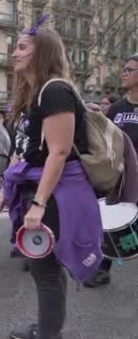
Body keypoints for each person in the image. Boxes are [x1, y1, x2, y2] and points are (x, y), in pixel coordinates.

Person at [0, 22, 103, 339]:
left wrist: (39, 204)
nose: (14, 51)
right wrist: (7, 186)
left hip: (55, 193)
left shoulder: (55, 90)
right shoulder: (37, 94)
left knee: (45, 270)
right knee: (46, 269)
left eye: (23, 47)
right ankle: (47, 327)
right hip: (41, 188)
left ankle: (47, 333)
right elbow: (29, 151)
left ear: (43, 52)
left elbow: (58, 152)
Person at [85, 54, 138, 288]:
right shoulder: (116, 108)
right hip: (119, 177)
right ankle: (102, 269)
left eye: (130, 69)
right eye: (124, 69)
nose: (124, 73)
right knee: (107, 222)